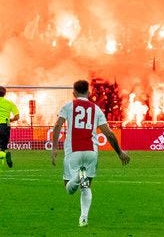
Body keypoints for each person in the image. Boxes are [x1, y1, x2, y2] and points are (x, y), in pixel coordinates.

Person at [50, 79, 131, 228]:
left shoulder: (68, 106)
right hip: (91, 152)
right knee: (86, 187)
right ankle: (83, 218)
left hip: (73, 152)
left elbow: (57, 126)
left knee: (69, 188)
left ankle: (77, 177)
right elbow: (108, 133)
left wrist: (54, 148)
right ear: (89, 92)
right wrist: (119, 152)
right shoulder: (96, 109)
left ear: (73, 93)